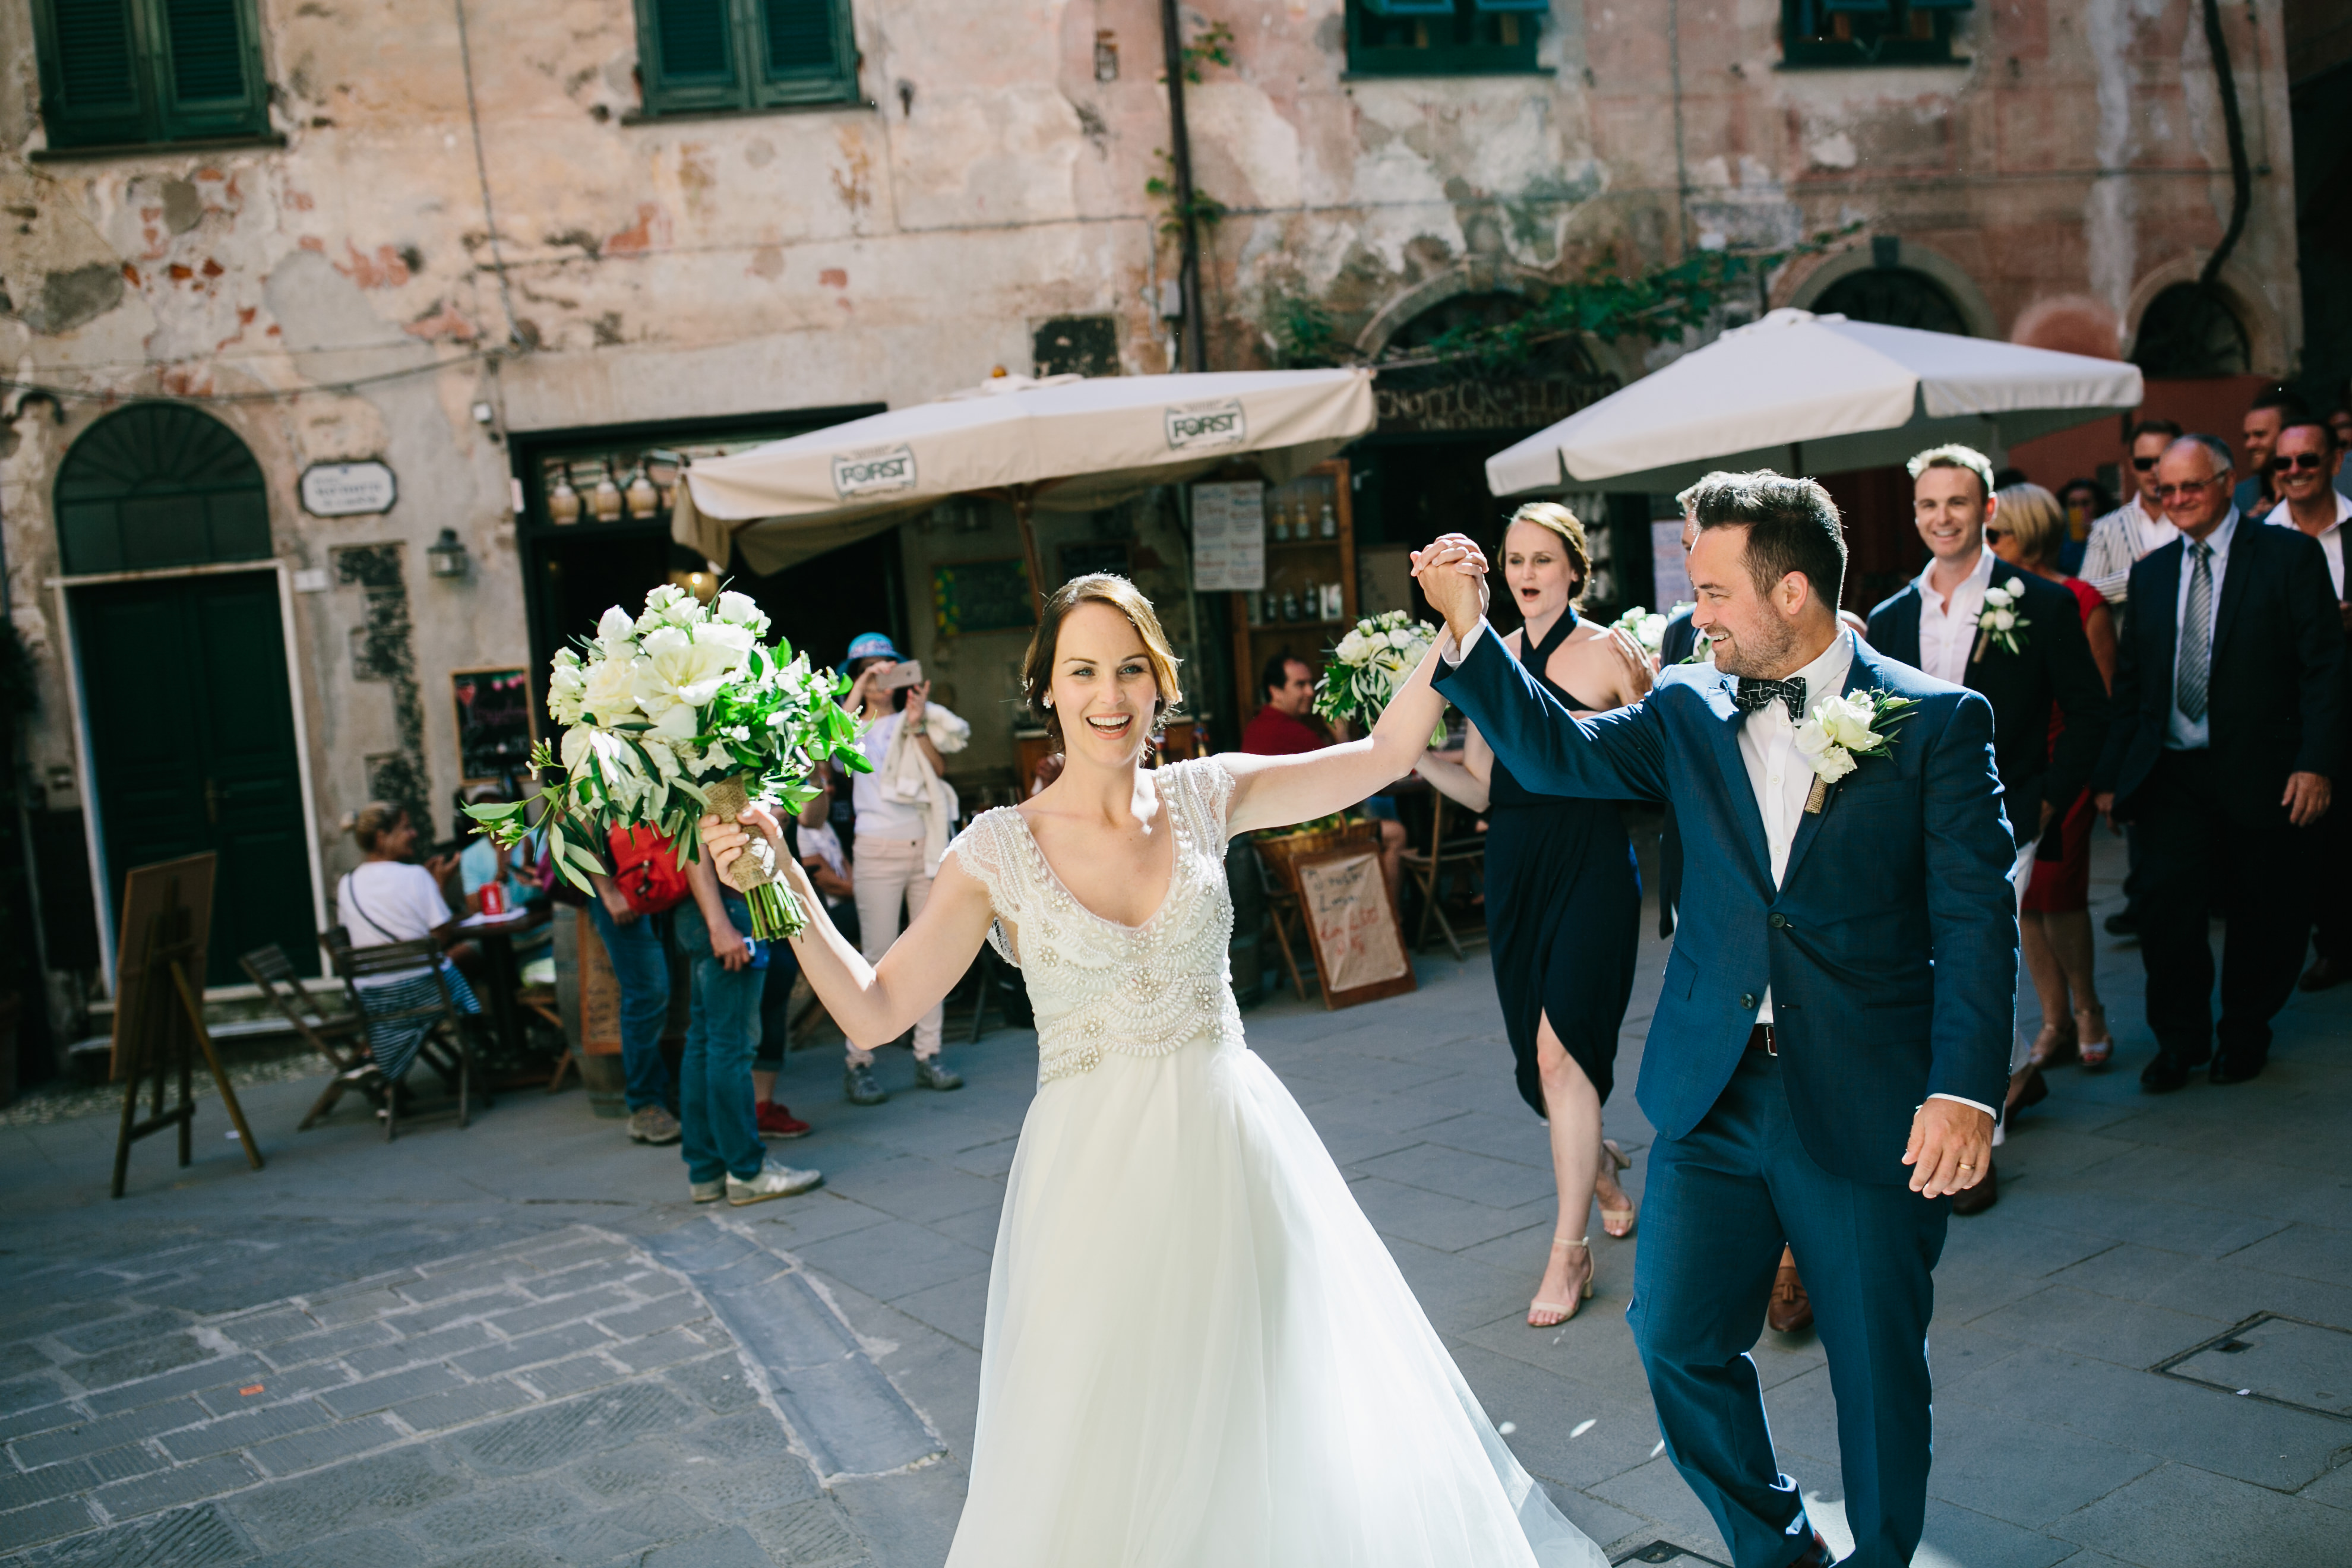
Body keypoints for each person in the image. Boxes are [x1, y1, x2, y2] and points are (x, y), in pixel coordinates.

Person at [704, 573, 1608, 1568]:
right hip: (1092, 1192)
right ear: (1046, 686)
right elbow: (874, 1008)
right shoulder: (995, 852)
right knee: (1110, 1449)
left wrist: (1460, 626)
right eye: (1084, 670)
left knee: (1275, 1423)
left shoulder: (1208, 795)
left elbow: (1390, 753)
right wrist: (782, 881)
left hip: (1237, 1159)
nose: (1110, 695)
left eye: (1131, 668)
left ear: (1159, 681)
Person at [1418, 470, 2013, 1568]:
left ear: (1792, 593)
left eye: (1716, 591)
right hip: (1711, 1089)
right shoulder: (1688, 705)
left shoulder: (1937, 723)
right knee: (1677, 1341)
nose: (1697, 613)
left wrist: (1964, 1089)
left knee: (1879, 1366)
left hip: (1869, 1096)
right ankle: (1777, 1549)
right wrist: (1470, 635)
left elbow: (1979, 922)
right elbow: (1557, 754)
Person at [1411, 503, 1651, 1327]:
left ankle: (1570, 1250)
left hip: (1589, 865)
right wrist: (1414, 760)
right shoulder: (1493, 657)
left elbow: (1658, 765)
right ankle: (1604, 1167)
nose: (1526, 574)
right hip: (1514, 866)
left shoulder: (1612, 651)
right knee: (1540, 1063)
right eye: (1514, 560)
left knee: (1560, 1055)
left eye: (1543, 559)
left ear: (1576, 569)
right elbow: (1484, 782)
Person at [1866, 446, 2110, 1212]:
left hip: (2008, 822)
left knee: (1983, 959)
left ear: (1989, 510)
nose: (1943, 518)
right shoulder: (1889, 617)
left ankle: (1981, 1147)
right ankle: (1943, 1107)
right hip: (1912, 826)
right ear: (1916, 515)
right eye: (1929, 505)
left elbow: (2090, 714)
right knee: (1929, 962)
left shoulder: (2040, 601)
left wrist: (2044, 802)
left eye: (1958, 503)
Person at [2092, 435, 2344, 1091]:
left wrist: (2316, 764)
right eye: (2164, 490)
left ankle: (2244, 1032)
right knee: (2166, 914)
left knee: (2265, 912)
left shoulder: (2289, 556)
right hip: (2172, 774)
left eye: (2191, 487)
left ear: (2228, 482)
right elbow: (2133, 688)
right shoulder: (2150, 574)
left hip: (2263, 771)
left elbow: (2324, 669)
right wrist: (2114, 780)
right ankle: (2180, 1041)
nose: (2176, 500)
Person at [1986, 485, 2119, 1074]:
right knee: (2026, 901)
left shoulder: (2080, 599)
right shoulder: (1988, 599)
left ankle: (2087, 1008)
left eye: (1998, 535)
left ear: (2032, 531)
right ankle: (2053, 1019)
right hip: (2011, 773)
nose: (1986, 546)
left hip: (2064, 775)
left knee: (2058, 894)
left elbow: (2101, 702)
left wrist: (2094, 782)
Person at [838, 631, 966, 1105]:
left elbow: (938, 769)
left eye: (885, 667)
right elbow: (824, 745)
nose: (877, 676)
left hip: (924, 846)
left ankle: (928, 1054)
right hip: (876, 850)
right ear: (855, 675)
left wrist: (914, 724)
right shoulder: (850, 725)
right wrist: (858, 692)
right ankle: (860, 1061)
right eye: (867, 669)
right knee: (873, 958)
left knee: (930, 953)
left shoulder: (913, 720)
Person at [2078, 417, 2183, 939]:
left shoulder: (2193, 511)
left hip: (2191, 668)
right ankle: (2146, 896)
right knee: (2140, 785)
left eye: (2162, 460)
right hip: (2132, 672)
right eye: (2143, 462)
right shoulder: (2110, 528)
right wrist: (2151, 573)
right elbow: (2091, 589)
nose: (2153, 472)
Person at [673, 841, 823, 1206]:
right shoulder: (703, 782)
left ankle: (706, 1172)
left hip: (701, 911)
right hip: (727, 911)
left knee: (705, 1040)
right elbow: (694, 841)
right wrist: (719, 922)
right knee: (730, 1045)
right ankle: (746, 1172)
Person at [2261, 417, 2352, 992]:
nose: (2295, 471)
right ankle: (2334, 945)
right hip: (2293, 709)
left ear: (2335, 464)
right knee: (2317, 835)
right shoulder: (2258, 535)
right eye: (2284, 463)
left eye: (2308, 461)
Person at [336, 801, 483, 1088]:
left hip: (376, 999)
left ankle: (376, 1060)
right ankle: (480, 1045)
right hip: (424, 993)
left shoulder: (348, 883)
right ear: (381, 837)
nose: (414, 834)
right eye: (406, 828)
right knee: (474, 954)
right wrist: (438, 885)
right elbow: (441, 936)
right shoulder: (416, 876)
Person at [1241, 649, 1409, 898]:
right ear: (1275, 691)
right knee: (1396, 834)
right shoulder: (1287, 731)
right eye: (1300, 685)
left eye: (1310, 683)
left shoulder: (1260, 726)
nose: (1310, 692)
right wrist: (1341, 735)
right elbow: (1351, 781)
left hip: (1277, 842)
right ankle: (1390, 922)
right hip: (1301, 840)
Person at [585, 852, 678, 1148]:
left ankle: (662, 1093)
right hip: (622, 883)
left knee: (660, 992)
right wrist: (609, 892)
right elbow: (577, 826)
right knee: (647, 992)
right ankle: (645, 1103)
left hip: (655, 874)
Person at [2235, 388, 2311, 520]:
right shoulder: (2239, 497)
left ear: (2288, 434)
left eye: (2260, 435)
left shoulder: (2330, 484)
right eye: (2247, 437)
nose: (2249, 444)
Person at [2055, 477, 2114, 576]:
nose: (2079, 509)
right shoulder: (2059, 540)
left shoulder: (2110, 533)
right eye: (2073, 504)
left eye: (2085, 503)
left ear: (2098, 506)